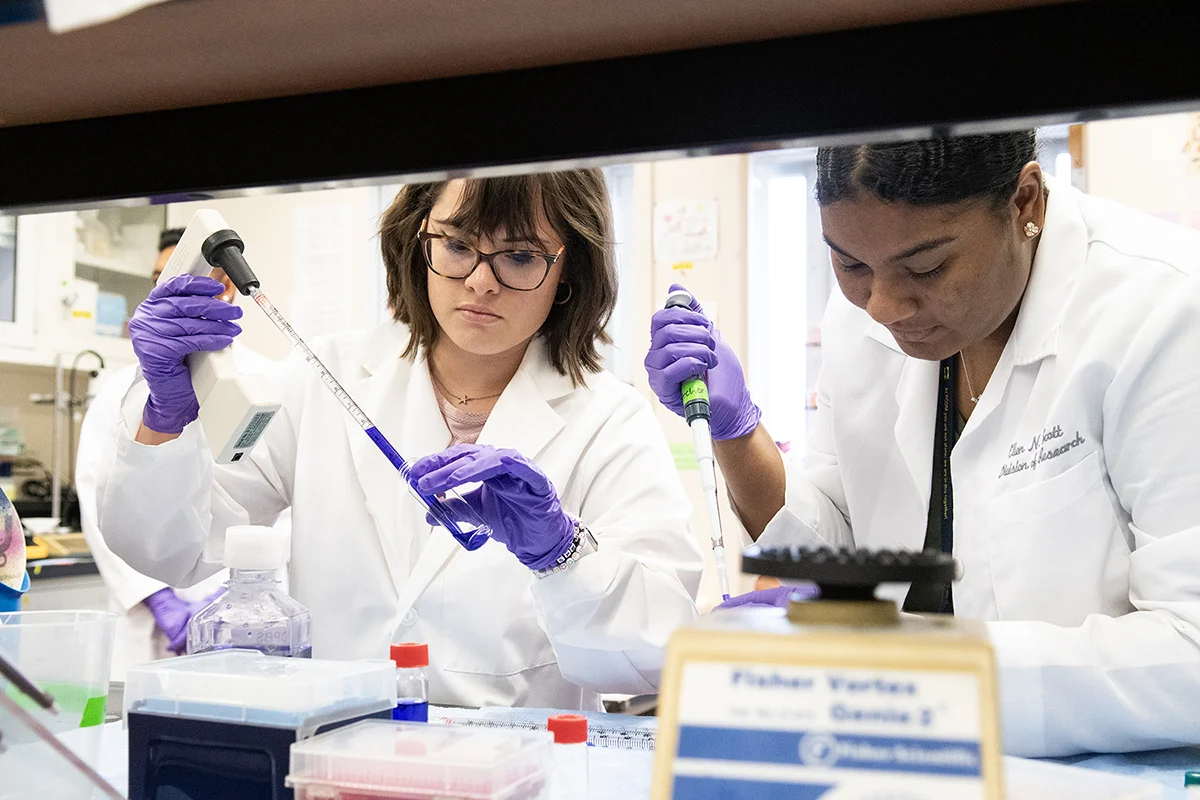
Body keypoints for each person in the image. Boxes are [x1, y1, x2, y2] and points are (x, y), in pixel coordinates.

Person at [645, 132, 1200, 758]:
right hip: (900, 761)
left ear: (1025, 203)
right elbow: (841, 541)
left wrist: (915, 669)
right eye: (849, 263)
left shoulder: (1165, 308)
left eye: (926, 267)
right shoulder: (861, 316)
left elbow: (1191, 650)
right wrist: (738, 433)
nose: (882, 305)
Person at [97, 172, 703, 710]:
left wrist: (563, 553)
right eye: (459, 246)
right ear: (420, 242)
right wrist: (164, 414)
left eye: (519, 256)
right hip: (334, 755)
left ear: (569, 269)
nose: (480, 283)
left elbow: (657, 651)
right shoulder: (326, 374)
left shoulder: (608, 417)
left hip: (518, 774)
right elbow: (167, 551)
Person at [75, 228, 271, 679]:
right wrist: (158, 597)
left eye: (182, 277)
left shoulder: (269, 382)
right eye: (159, 278)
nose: (165, 290)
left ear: (224, 286)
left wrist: (223, 600)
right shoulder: (118, 392)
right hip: (141, 627)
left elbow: (276, 511)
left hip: (236, 625)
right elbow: (96, 498)